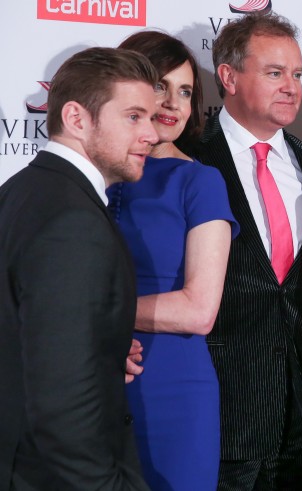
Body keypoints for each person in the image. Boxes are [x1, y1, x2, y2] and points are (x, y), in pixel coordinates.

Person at [0, 47, 158, 490]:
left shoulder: (20, 191)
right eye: (133, 117)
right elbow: (61, 403)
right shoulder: (73, 222)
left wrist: (102, 348)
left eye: (150, 117)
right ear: (76, 118)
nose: (150, 133)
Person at [195, 11, 302, 490]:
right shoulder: (192, 162)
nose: (291, 87)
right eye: (275, 73)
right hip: (220, 414)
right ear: (228, 77)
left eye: (296, 75)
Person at [109, 31, 239, 491]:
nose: (173, 103)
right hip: (88, 382)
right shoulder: (90, 178)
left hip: (173, 388)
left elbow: (199, 311)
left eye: (186, 91)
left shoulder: (200, 183)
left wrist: (96, 318)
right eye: (161, 85)